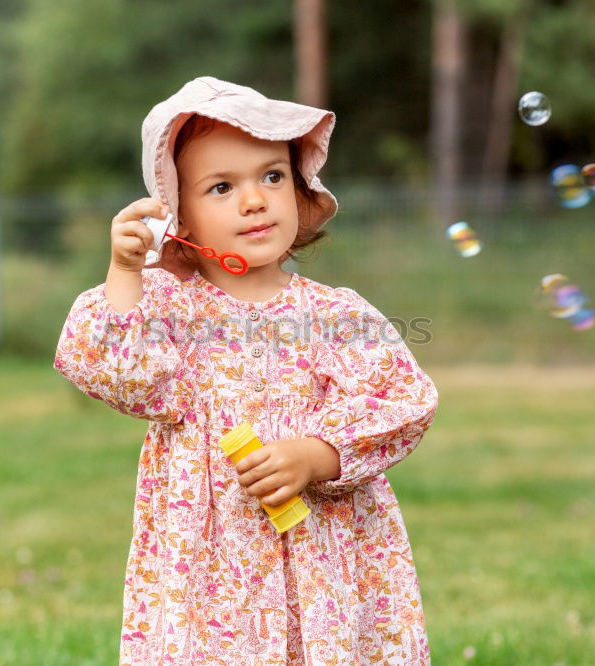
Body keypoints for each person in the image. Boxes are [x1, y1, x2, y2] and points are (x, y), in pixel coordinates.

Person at [53, 76, 438, 665]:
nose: (254, 199)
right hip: (212, 566)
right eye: (221, 186)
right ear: (177, 216)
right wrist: (125, 269)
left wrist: (318, 454)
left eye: (272, 176)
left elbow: (401, 401)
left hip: (323, 551)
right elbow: (107, 363)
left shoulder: (335, 314)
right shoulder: (170, 310)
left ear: (301, 190)